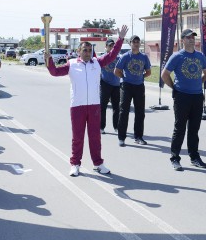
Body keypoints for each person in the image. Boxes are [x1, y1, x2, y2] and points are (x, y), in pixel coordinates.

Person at [46, 25, 128, 177]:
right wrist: (49, 60)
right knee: (78, 137)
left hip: (94, 106)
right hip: (77, 106)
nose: (88, 53)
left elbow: (113, 54)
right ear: (79, 51)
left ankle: (98, 163)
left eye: (90, 50)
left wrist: (120, 39)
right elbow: (54, 72)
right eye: (85, 50)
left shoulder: (97, 63)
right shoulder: (72, 64)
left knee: (95, 137)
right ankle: (75, 164)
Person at [161, 28, 206, 171]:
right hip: (181, 96)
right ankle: (175, 158)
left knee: (194, 129)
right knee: (180, 127)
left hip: (196, 96)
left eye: (193, 37)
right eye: (188, 37)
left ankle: (194, 157)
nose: (192, 39)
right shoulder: (177, 56)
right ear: (182, 40)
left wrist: (198, 83)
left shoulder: (200, 56)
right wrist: (175, 88)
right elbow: (164, 75)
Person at [115, 35, 151, 146]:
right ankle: (121, 138)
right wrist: (125, 78)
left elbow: (148, 72)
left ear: (140, 43)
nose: (136, 43)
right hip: (127, 86)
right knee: (124, 112)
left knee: (140, 113)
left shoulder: (144, 57)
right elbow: (117, 71)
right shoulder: (125, 56)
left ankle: (138, 137)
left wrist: (140, 77)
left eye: (138, 42)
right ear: (130, 43)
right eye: (134, 42)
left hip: (139, 86)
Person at [99, 38, 121, 134]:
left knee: (116, 107)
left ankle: (116, 127)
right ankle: (101, 127)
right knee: (102, 107)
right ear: (106, 47)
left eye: (113, 45)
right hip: (105, 84)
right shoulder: (102, 58)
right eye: (109, 46)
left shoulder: (119, 58)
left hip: (116, 85)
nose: (111, 47)